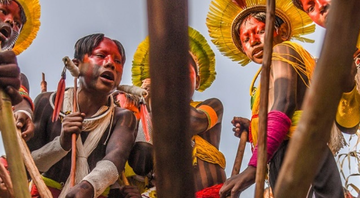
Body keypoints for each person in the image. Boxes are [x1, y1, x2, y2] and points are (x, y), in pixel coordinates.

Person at [206, 0, 345, 197]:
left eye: (260, 31)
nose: (253, 40)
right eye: (245, 39)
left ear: (282, 31)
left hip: (296, 152)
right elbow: (285, 110)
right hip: (303, 151)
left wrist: (254, 168)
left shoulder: (282, 51)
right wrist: (254, 128)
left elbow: (284, 104)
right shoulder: (264, 77)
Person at [27, 33, 137, 198]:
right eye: (101, 56)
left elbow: (115, 159)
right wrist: (62, 144)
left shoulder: (123, 117)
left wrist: (88, 186)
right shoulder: (47, 103)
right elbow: (27, 163)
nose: (110, 64)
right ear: (77, 65)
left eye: (118, 61)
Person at [130, 27, 225, 198]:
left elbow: (193, 123)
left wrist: (167, 93)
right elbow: (139, 165)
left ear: (197, 81)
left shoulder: (211, 105)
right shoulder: (146, 120)